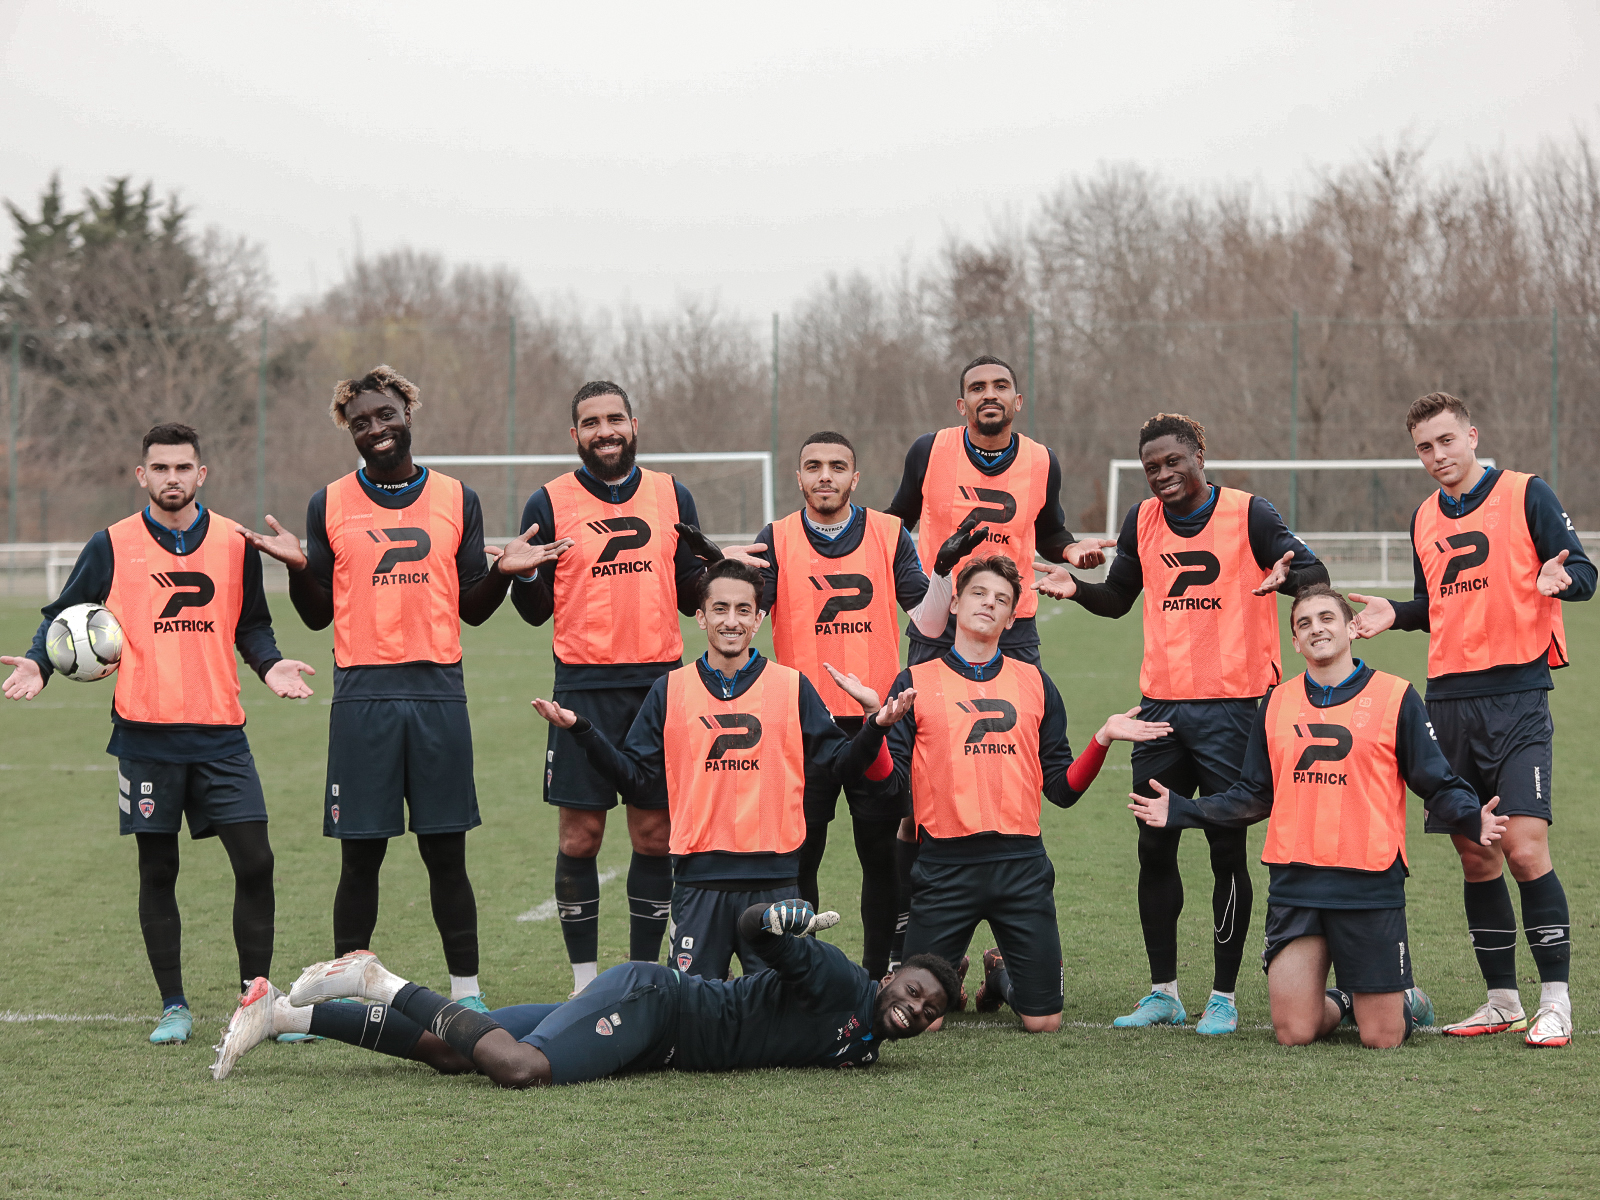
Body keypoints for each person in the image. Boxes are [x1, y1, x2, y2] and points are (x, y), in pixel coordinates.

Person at [243, 365, 550, 1013]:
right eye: (360, 423)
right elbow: (316, 614)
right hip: (363, 697)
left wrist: (506, 576)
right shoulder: (328, 503)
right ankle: (342, 993)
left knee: (446, 852)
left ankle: (467, 993)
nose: (375, 429)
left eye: (385, 415)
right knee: (361, 857)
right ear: (349, 432)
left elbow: (472, 605)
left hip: (438, 693)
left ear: (408, 412)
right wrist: (299, 569)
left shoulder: (456, 498)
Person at [1, 423, 315, 1045]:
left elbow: (251, 624)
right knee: (158, 868)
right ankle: (174, 1005)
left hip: (222, 732)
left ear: (202, 474)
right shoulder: (112, 543)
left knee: (257, 863)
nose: (172, 477)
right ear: (141, 475)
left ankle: (258, 1001)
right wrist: (40, 660)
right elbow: (65, 615)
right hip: (146, 735)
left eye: (183, 467)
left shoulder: (232, 542)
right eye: (160, 468)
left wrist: (269, 662)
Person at [1034, 412, 1329, 1036]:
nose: (1163, 475)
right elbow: (1117, 600)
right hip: (1159, 713)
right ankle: (1163, 990)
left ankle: (1222, 995)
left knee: (1226, 847)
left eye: (1173, 461)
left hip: (1232, 709)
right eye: (1151, 468)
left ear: (1200, 452)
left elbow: (1314, 574)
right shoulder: (1140, 520)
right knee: (1153, 847)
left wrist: (1289, 578)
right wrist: (1077, 588)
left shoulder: (1251, 513)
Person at [1130, 584, 1508, 1048]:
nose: (1316, 629)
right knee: (1293, 1032)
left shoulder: (1396, 696)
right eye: (1304, 624)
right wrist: (1183, 809)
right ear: (1294, 642)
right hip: (1297, 884)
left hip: (1369, 883)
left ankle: (1404, 1000)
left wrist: (1473, 819)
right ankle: (1348, 998)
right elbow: (1252, 795)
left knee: (1382, 1038)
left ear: (1351, 628)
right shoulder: (1275, 703)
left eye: (1327, 618)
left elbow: (1436, 782)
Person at [529, 559, 916, 982]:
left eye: (743, 610)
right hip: (699, 884)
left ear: (758, 619)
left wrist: (875, 723)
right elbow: (637, 782)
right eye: (720, 609)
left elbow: (840, 767)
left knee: (780, 1019)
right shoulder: (669, 689)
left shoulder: (791, 686)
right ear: (700, 617)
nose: (731, 621)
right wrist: (583, 731)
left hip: (776, 880)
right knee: (692, 1020)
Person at [834, 554, 1173, 1033]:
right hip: (944, 869)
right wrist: (877, 722)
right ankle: (952, 972)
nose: (988, 604)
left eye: (1001, 600)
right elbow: (891, 789)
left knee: (1044, 1022)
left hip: (1021, 867)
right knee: (924, 1025)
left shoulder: (1034, 681)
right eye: (978, 593)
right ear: (954, 603)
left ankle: (999, 979)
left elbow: (1062, 790)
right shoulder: (916, 681)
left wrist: (1102, 739)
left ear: (1013, 617)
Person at [1348, 392, 1594, 1047]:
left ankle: (1557, 1002)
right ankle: (1501, 1001)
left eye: (1446, 441)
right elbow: (1439, 603)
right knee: (1476, 854)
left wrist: (1560, 580)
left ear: (1472, 436)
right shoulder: (1424, 516)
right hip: (1449, 703)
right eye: (1425, 447)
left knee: (1522, 846)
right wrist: (1395, 614)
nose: (1437, 457)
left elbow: (1585, 571)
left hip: (1517, 699)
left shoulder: (1525, 493)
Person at [210, 899, 961, 1085]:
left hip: (655, 1035)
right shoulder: (840, 980)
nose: (916, 1006)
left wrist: (981, 992)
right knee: (518, 1068)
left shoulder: (876, 1032)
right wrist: (775, 918)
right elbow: (754, 935)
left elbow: (940, 999)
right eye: (916, 990)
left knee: (451, 1051)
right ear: (890, 972)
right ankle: (379, 979)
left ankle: (282, 1013)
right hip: (656, 1008)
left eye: (928, 1011)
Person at [509, 380, 729, 994]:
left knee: (654, 835)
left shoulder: (670, 494)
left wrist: (714, 570)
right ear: (573, 434)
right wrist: (520, 578)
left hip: (660, 689)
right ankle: (584, 983)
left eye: (614, 420)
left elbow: (691, 594)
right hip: (582, 688)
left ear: (635, 424)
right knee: (581, 835)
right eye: (590, 423)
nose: (604, 431)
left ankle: (640, 976)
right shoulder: (547, 502)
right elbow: (532, 611)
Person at [745, 430, 930, 980]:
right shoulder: (775, 538)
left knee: (879, 854)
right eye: (813, 466)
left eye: (837, 466)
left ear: (855, 477)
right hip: (801, 725)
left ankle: (878, 974)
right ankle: (802, 976)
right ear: (798, 477)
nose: (825, 475)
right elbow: (743, 616)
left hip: (877, 723)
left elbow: (926, 616)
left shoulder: (890, 533)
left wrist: (948, 572)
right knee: (801, 857)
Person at [885, 354, 1112, 667]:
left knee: (1023, 715)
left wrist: (1071, 548)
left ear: (1017, 401)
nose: (989, 394)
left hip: (1012, 619)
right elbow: (895, 524)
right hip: (941, 616)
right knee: (928, 715)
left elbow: (1049, 533)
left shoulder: (1042, 461)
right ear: (962, 405)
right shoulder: (929, 449)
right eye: (977, 388)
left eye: (1000, 386)